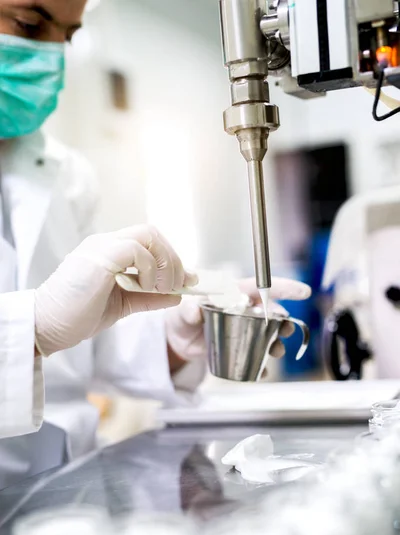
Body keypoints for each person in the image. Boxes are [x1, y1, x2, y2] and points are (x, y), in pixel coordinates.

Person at [0, 0, 311, 488]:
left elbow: (87, 347)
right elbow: (47, 331)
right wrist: (32, 328)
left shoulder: (66, 176)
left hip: (68, 489)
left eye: (69, 34)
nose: (53, 54)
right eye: (29, 23)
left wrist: (173, 338)